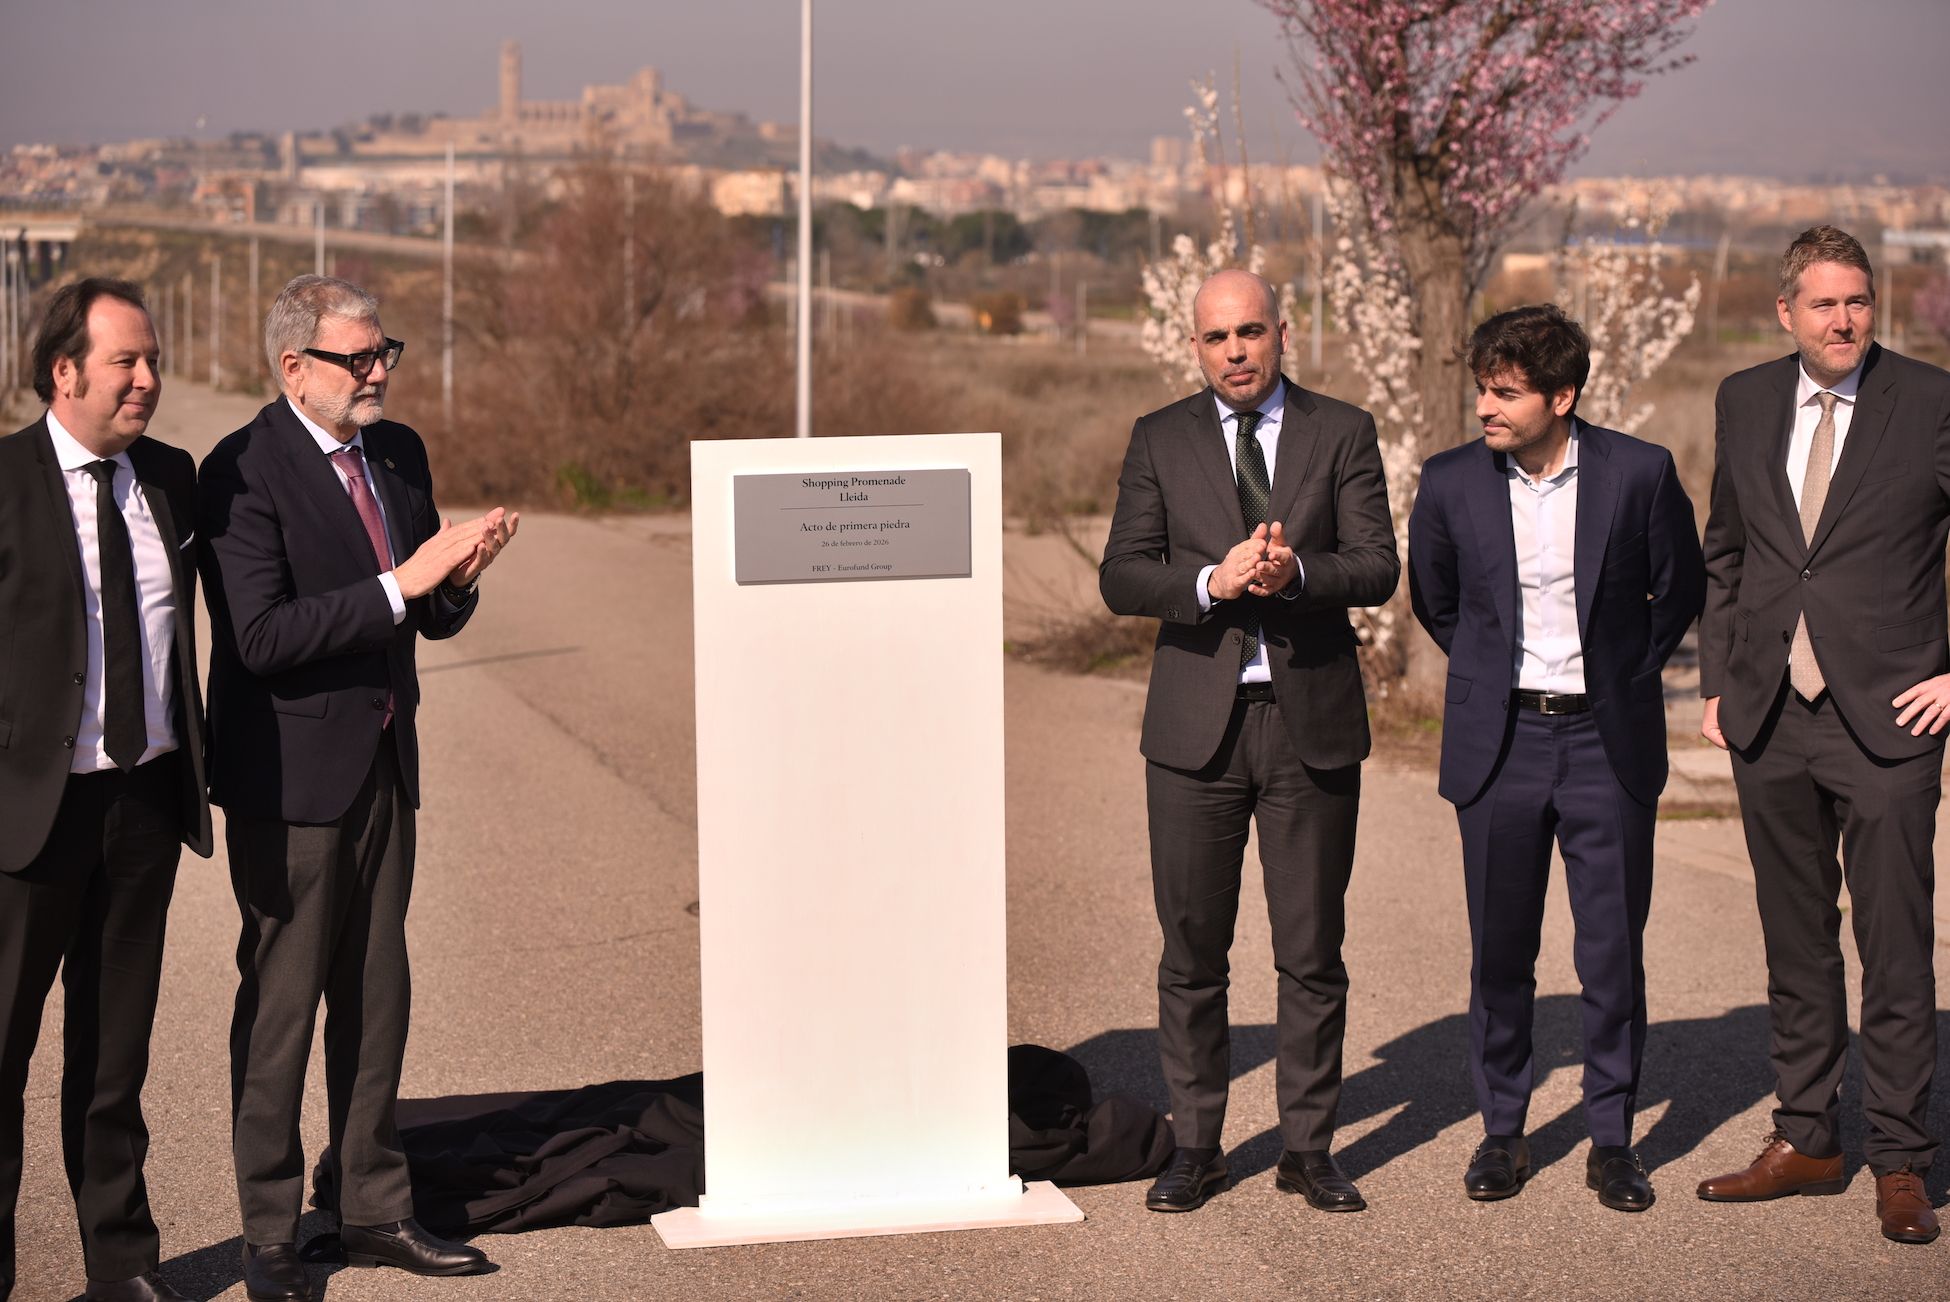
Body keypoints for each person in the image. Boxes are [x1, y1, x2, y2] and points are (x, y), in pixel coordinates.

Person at [198, 275, 518, 1299]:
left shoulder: (399, 452)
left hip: (385, 760)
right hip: (288, 778)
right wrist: (404, 582)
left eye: (386, 352)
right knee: (284, 1006)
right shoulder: (242, 471)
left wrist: (457, 577)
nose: (379, 371)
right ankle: (270, 1233)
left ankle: (373, 1208)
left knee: (379, 997)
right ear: (294, 367)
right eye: (358, 358)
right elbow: (260, 638)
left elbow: (425, 616)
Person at [1099, 268, 1398, 1213]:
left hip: (1310, 723)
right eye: (1216, 336)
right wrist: (1212, 585)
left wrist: (1298, 572)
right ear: (1196, 346)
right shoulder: (1159, 438)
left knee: (1311, 951)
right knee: (1192, 950)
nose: (1235, 350)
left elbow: (1378, 565)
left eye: (1252, 332)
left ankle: (1309, 1150)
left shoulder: (1341, 430)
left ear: (1281, 333)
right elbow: (1122, 576)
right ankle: (1198, 1145)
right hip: (1195, 734)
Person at [1407, 304, 1704, 1212]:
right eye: (1482, 390)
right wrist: (1498, 674)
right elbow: (1438, 600)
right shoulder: (1451, 480)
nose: (1486, 408)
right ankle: (1504, 1129)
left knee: (1611, 951)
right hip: (1500, 745)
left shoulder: (1640, 473)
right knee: (1501, 952)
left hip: (1605, 742)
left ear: (1561, 396)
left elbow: (1679, 588)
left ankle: (1611, 1137)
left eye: (1505, 392)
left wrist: (1619, 675)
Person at [1695, 226, 1948, 1246]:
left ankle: (1901, 1158)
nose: (1845, 321)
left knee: (1893, 949)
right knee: (1796, 947)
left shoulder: (1928, 400)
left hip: (1889, 718)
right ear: (1786, 313)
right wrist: (1720, 677)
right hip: (1770, 719)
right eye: (1826, 304)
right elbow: (1727, 550)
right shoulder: (1745, 399)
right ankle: (1808, 1137)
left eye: (1860, 302)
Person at [0, 278, 211, 1302]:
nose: (147, 380)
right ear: (63, 370)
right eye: (127, 361)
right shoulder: (3, 482)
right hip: (25, 826)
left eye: (154, 360)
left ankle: (121, 1265)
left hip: (143, 806)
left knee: (113, 1056)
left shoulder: (171, 480)